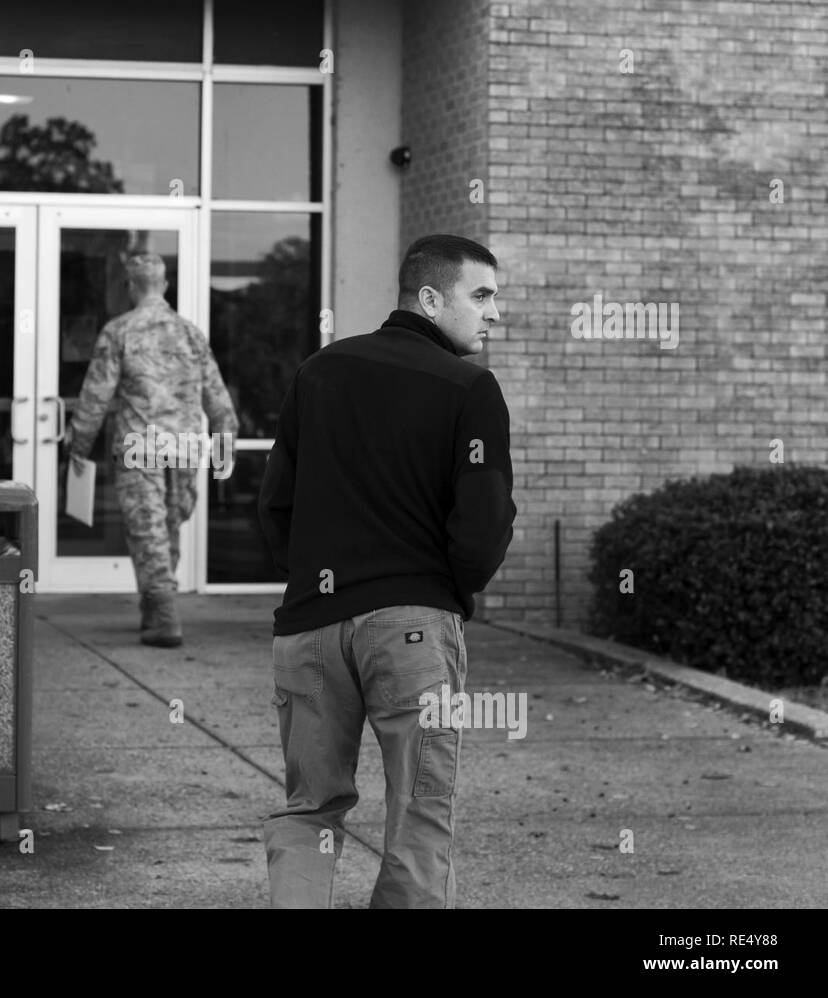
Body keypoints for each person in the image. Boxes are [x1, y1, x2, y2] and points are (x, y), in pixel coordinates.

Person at [257, 234, 516, 908]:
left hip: (309, 628)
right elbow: (482, 527)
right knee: (420, 809)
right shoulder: (471, 389)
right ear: (430, 299)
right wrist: (448, 589)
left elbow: (274, 505)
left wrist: (316, 575)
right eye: (481, 295)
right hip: (413, 630)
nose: (496, 312)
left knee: (308, 807)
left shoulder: (318, 372)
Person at [65, 253, 239, 647]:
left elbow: (95, 396)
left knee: (148, 529)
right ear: (163, 285)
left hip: (140, 446)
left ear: (130, 286)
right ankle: (156, 606)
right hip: (184, 445)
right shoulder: (190, 333)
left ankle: (162, 614)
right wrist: (225, 441)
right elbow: (216, 394)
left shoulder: (119, 330)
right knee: (167, 525)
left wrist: (78, 447)